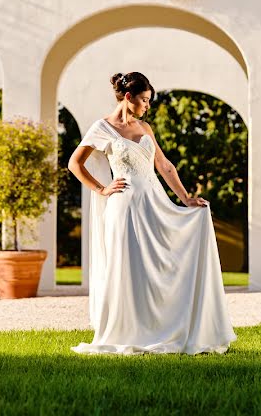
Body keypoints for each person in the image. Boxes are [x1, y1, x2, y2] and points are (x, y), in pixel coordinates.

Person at [67, 71, 235, 355]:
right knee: (130, 269)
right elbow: (75, 164)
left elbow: (165, 166)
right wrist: (101, 189)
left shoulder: (145, 128)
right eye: (144, 100)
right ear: (128, 97)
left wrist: (185, 198)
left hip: (153, 202)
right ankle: (130, 329)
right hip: (123, 207)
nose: (147, 105)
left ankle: (165, 326)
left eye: (149, 101)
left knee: (159, 264)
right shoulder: (102, 128)